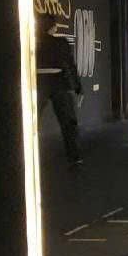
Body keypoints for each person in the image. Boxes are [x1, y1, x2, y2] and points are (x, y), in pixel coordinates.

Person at [36, 12, 84, 165]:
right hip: (58, 82)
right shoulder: (61, 43)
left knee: (30, 122)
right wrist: (78, 87)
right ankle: (74, 157)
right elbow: (70, 65)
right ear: (53, 27)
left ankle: (24, 156)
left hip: (37, 82)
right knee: (68, 122)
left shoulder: (33, 42)